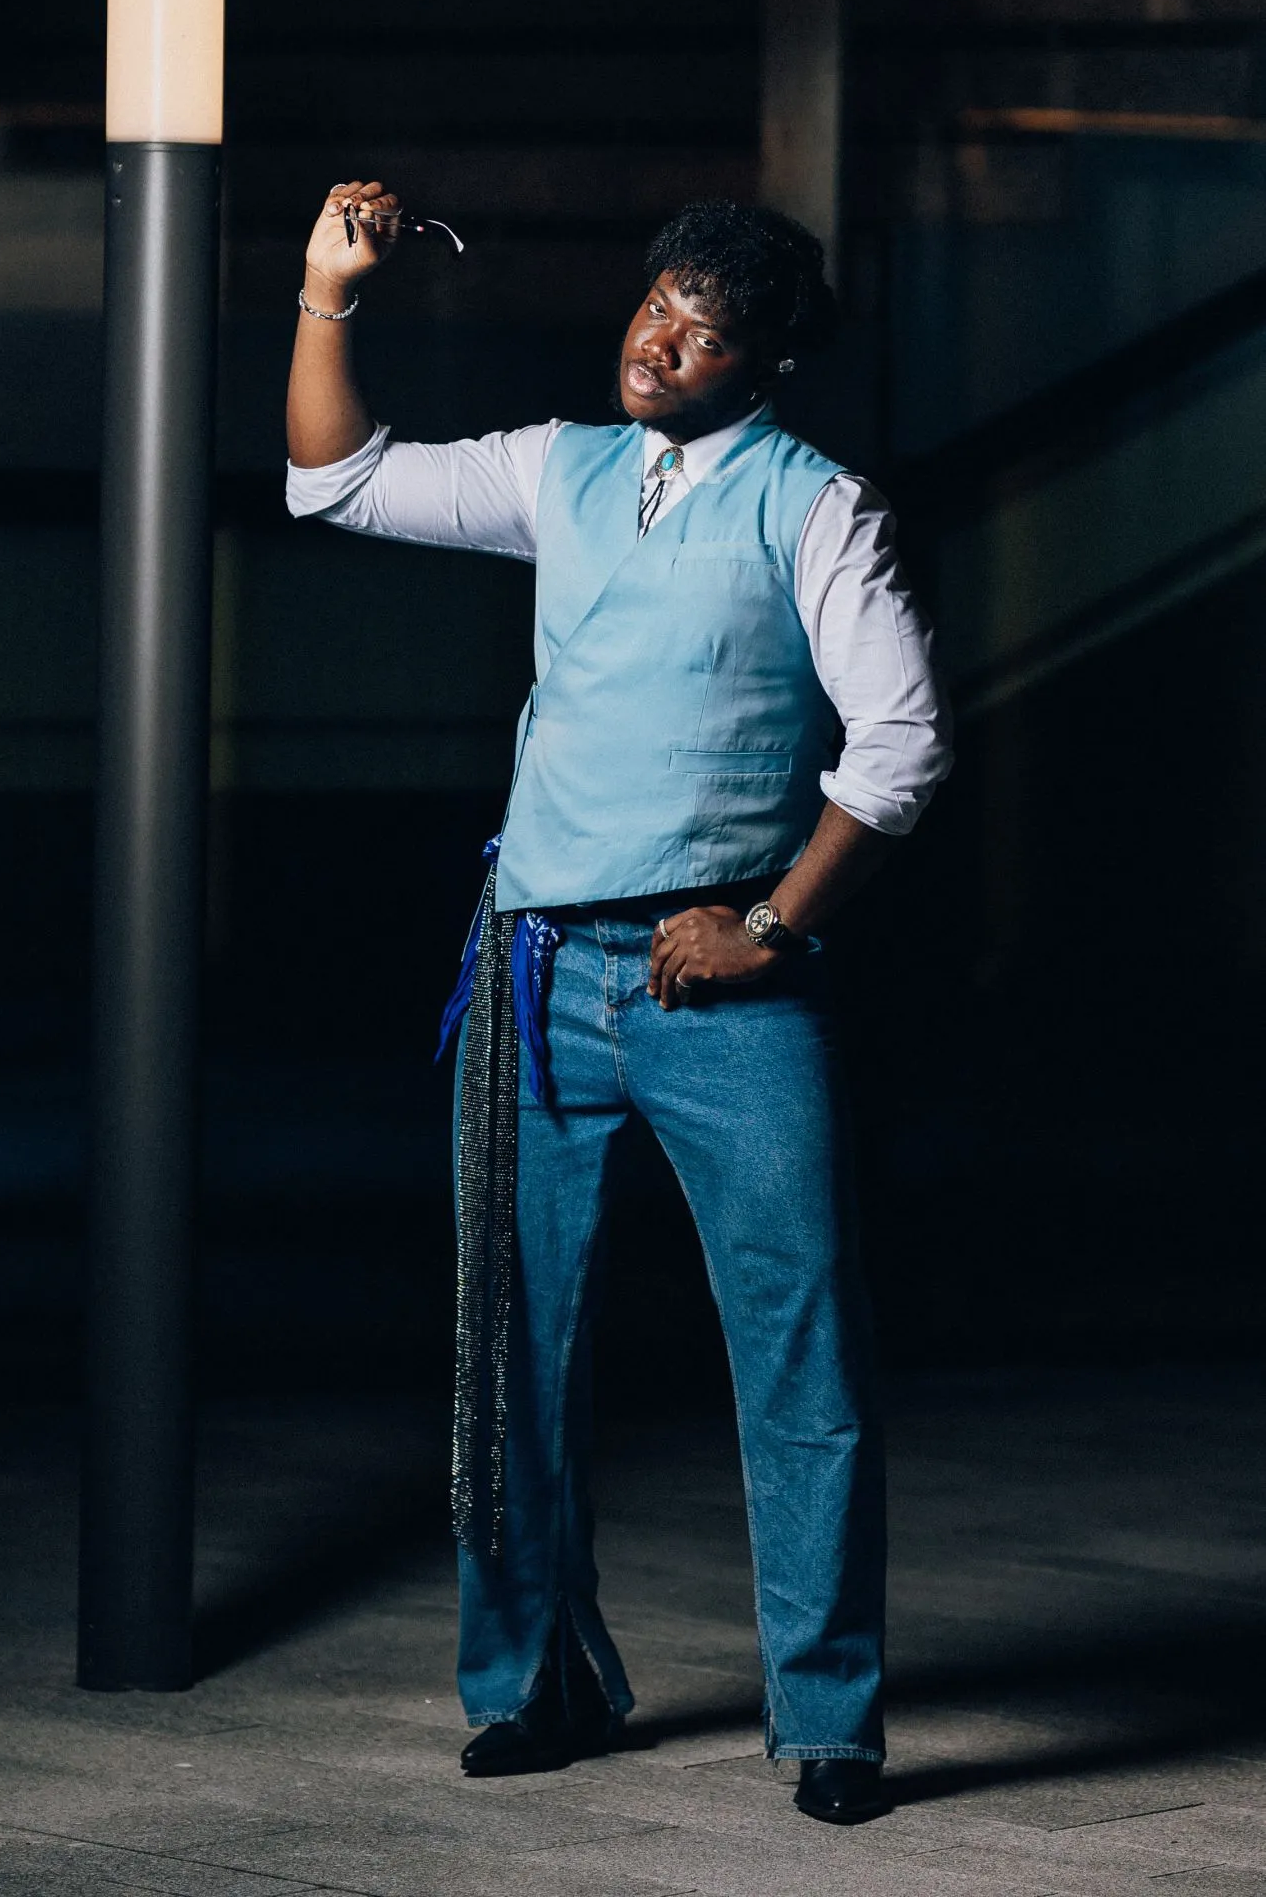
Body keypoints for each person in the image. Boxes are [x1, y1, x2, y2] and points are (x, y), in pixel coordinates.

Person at [285, 182, 952, 1826]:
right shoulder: (562, 465)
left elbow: (905, 750)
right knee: (512, 1351)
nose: (660, 340)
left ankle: (832, 1723)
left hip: (718, 981)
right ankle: (529, 1690)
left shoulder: (817, 507)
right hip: (530, 974)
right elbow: (334, 479)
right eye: (655, 303)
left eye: (705, 326)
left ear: (770, 356)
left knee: (801, 1351)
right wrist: (327, 294)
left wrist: (775, 930)